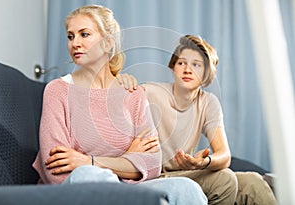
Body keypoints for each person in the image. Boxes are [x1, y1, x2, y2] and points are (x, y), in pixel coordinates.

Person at [32, 5, 208, 205]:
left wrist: (89, 160)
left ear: (108, 43)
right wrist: (127, 159)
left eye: (84, 34)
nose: (75, 43)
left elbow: (151, 164)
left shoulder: (133, 93)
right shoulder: (58, 90)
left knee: (185, 187)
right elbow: (55, 170)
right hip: (76, 191)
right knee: (88, 175)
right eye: (71, 36)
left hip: (127, 190)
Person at [117, 35, 277, 205]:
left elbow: (224, 156)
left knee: (253, 182)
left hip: (186, 173)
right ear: (173, 68)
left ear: (207, 73)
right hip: (154, 175)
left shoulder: (209, 102)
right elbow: (115, 102)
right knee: (224, 178)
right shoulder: (150, 92)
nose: (187, 69)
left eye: (196, 65)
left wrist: (203, 162)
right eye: (181, 63)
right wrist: (120, 81)